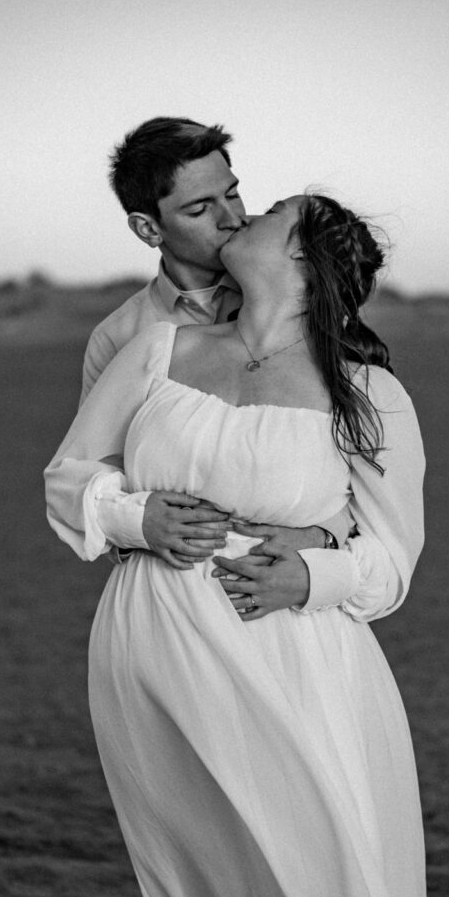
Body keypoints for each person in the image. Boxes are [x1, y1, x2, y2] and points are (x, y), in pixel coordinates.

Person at [44, 192, 439, 897]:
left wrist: (311, 571)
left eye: (268, 214)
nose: (242, 217)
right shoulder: (157, 348)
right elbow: (67, 475)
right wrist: (134, 518)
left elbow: (392, 560)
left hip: (294, 659)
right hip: (155, 645)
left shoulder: (368, 393)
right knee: (207, 896)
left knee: (333, 886)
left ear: (300, 258)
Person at [84, 116, 350, 572]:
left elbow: (358, 468)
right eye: (200, 208)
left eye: (232, 193)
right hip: (171, 593)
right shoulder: (121, 338)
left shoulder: (301, 303)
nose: (233, 218)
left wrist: (324, 537)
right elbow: (93, 473)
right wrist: (134, 523)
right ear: (149, 229)